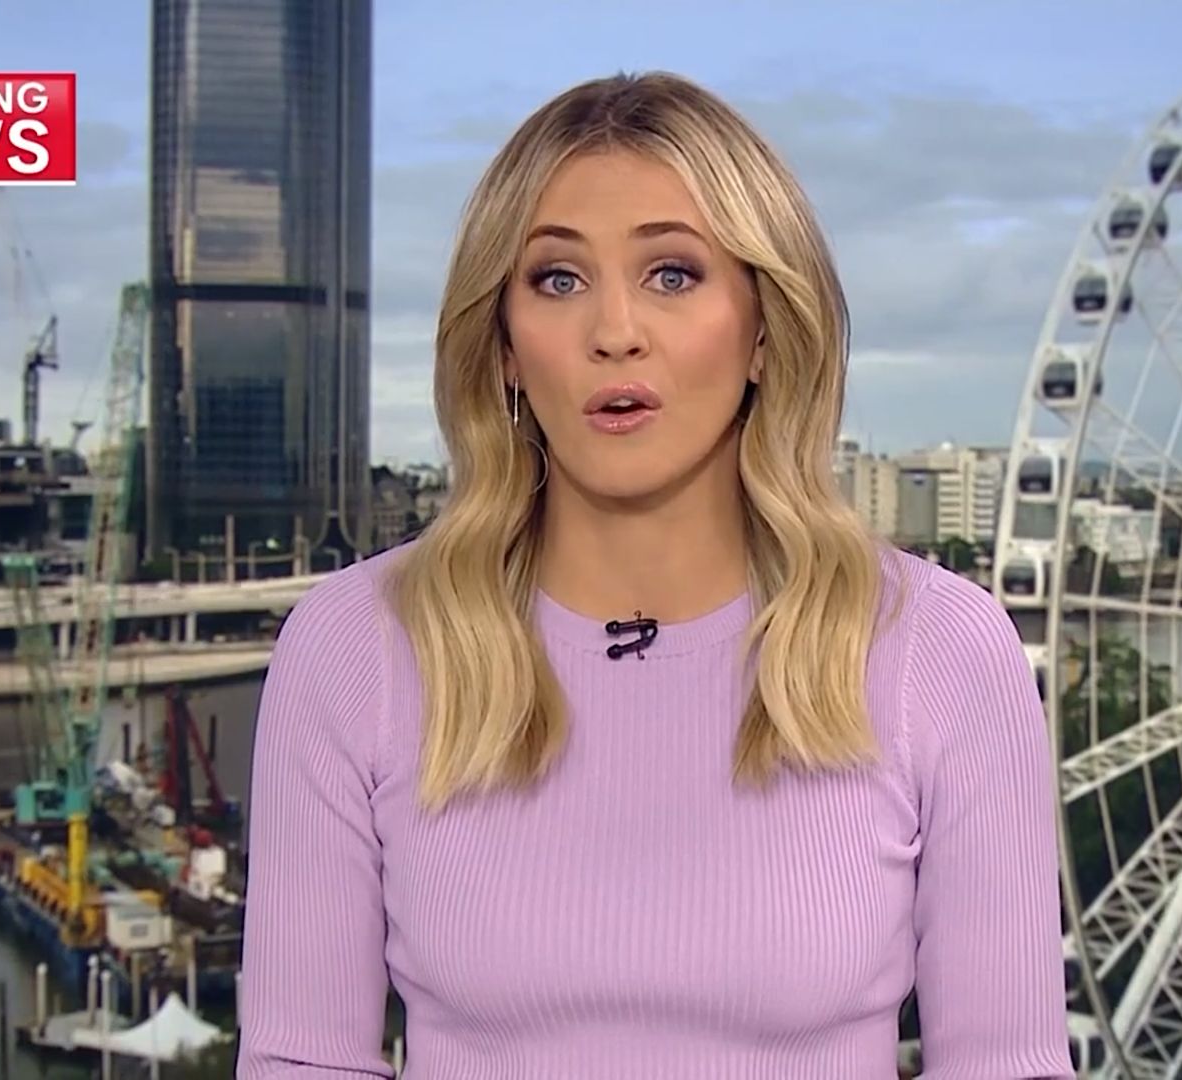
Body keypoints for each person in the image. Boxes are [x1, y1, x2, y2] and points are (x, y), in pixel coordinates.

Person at [238, 71, 1072, 1079]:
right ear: (503, 348)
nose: (615, 331)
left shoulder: (939, 650)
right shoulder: (354, 647)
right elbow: (300, 1061)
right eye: (558, 280)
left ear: (764, 329)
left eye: (672, 273)